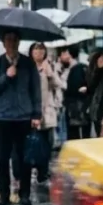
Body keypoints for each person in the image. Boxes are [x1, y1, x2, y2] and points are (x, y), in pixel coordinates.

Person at [0, 31, 41, 205]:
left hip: (23, 117)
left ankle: (24, 194)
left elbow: (36, 89)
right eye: (8, 39)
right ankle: (4, 195)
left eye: (15, 40)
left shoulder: (28, 63)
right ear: (3, 43)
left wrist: (36, 114)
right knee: (2, 159)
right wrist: (6, 77)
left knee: (25, 158)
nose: (11, 43)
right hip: (3, 117)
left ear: (19, 42)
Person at [29, 42, 64, 185]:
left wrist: (50, 73)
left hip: (48, 111)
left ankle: (43, 172)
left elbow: (58, 85)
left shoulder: (50, 66)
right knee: (34, 142)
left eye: (41, 49)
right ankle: (35, 168)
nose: (39, 52)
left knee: (47, 143)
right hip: (31, 111)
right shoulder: (28, 67)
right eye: (36, 49)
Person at [60, 45, 89, 141]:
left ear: (70, 55)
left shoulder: (76, 69)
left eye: (65, 53)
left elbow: (72, 87)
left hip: (74, 106)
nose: (62, 55)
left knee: (74, 133)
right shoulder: (69, 68)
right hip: (76, 105)